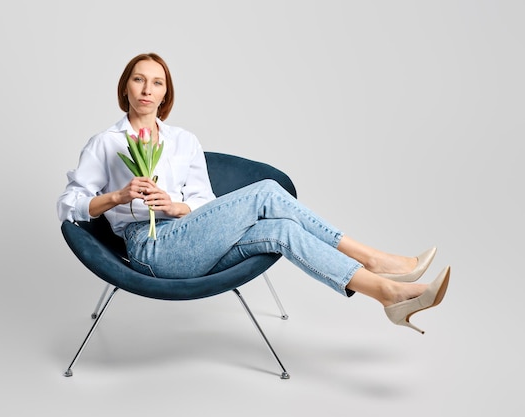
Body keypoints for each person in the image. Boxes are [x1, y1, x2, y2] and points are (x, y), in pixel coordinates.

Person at [57, 52, 450, 334]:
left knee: (282, 230)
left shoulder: (182, 141)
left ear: (165, 93)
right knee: (265, 192)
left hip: (192, 237)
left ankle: (388, 295)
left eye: (157, 82)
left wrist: (176, 206)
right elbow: (68, 205)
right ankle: (375, 258)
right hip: (150, 250)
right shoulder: (106, 143)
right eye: (139, 79)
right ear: (125, 87)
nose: (147, 88)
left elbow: (204, 203)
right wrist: (119, 197)